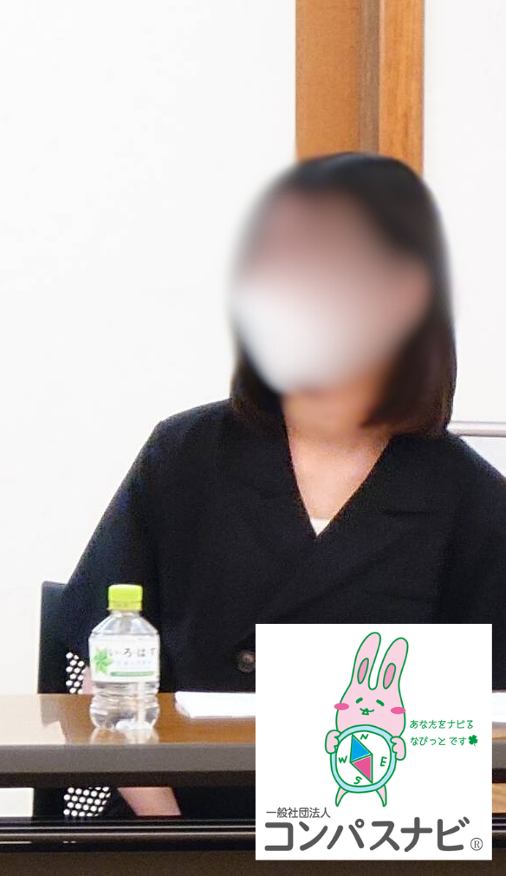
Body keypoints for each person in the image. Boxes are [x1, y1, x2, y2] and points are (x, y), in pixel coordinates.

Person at [60, 152, 506, 819]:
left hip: (373, 836)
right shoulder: (184, 455)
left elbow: (484, 726)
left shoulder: (472, 499)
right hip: (177, 828)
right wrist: (173, 838)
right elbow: (101, 672)